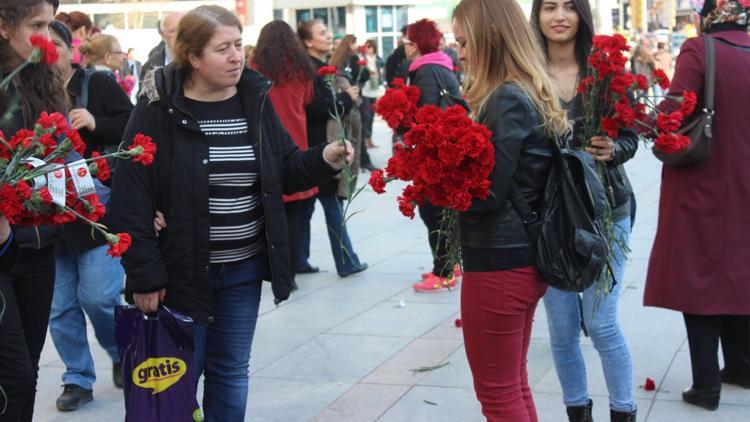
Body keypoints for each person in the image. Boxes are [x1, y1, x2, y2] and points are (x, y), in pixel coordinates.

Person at [108, 6, 352, 420]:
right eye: (223, 49)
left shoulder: (254, 101)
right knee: (177, 381)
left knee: (231, 372)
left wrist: (324, 159)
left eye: (239, 45)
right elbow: (130, 197)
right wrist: (144, 275)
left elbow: (284, 168)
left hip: (242, 271)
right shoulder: (157, 109)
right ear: (193, 57)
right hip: (179, 274)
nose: (237, 56)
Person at [452, 0, 570, 420]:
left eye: (465, 42)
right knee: (513, 385)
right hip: (520, 260)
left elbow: (487, 195)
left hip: (501, 262)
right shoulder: (525, 89)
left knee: (498, 395)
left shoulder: (505, 98)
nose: (460, 53)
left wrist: (439, 181)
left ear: (489, 39)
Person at [530, 0, 639, 420]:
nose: (559, 15)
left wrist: (614, 149)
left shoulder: (604, 74)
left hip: (606, 208)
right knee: (560, 330)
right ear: (536, 16)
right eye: (549, 7)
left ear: (582, 15)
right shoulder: (525, 74)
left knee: (601, 323)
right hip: (551, 217)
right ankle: (578, 411)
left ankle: (624, 411)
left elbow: (630, 135)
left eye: (569, 7)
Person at [644, 0, 750, 411]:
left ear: (709, 13)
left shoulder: (700, 49)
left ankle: (706, 384)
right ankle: (741, 366)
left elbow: (673, 112)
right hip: (744, 185)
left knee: (699, 277)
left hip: (704, 182)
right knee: (740, 271)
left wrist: (644, 121)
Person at [46, 21, 133, 412]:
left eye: (54, 46)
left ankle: (120, 351)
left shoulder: (96, 85)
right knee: (60, 307)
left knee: (98, 297)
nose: (46, 54)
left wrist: (96, 123)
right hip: (46, 216)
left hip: (97, 215)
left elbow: (134, 129)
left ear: (71, 49)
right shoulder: (23, 93)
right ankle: (77, 377)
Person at [0, 1, 70, 420]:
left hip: (41, 244)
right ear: (4, 26)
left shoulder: (45, 79)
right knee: (14, 375)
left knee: (27, 366)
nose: (47, 35)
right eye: (37, 24)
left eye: (50, 24)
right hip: (4, 245)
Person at [298, 19, 368, 277]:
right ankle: (346, 261)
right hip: (319, 148)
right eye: (322, 32)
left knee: (308, 208)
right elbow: (319, 107)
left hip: (313, 146)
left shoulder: (316, 68)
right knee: (332, 205)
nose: (328, 36)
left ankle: (299, 260)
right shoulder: (309, 70)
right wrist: (346, 97)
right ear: (308, 41)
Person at [251, 20, 318, 284]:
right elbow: (308, 100)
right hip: (296, 148)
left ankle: (272, 268)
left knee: (270, 216)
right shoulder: (302, 70)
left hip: (264, 147)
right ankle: (291, 268)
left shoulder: (254, 71)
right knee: (297, 218)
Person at [401, 19, 463, 293]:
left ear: (414, 45)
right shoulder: (442, 66)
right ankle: (452, 262)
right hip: (447, 148)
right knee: (441, 210)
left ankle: (444, 271)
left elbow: (424, 117)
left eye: (406, 43)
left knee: (431, 211)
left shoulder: (424, 71)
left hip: (434, 153)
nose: (405, 48)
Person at [139, 11, 182, 81]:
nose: (180, 34)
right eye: (174, 31)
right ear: (163, 35)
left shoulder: (199, 61)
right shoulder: (151, 66)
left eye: (184, 29)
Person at [360, 39, 385, 151]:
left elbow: (381, 69)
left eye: (370, 47)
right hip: (365, 90)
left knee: (371, 116)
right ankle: (365, 140)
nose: (368, 49)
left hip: (374, 90)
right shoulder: (362, 59)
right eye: (366, 46)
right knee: (366, 116)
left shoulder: (378, 59)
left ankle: (370, 139)